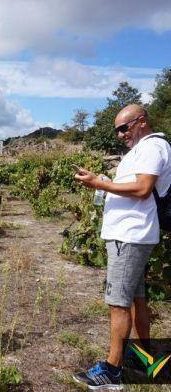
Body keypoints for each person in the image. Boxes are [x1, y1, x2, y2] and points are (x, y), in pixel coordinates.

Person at [73, 104, 171, 390]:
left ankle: (112, 371)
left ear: (141, 121)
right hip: (130, 235)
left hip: (130, 236)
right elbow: (135, 187)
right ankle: (142, 358)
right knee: (135, 299)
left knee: (117, 303)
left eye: (124, 128)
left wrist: (99, 186)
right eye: (116, 130)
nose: (120, 135)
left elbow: (141, 189)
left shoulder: (153, 147)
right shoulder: (141, 150)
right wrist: (104, 182)